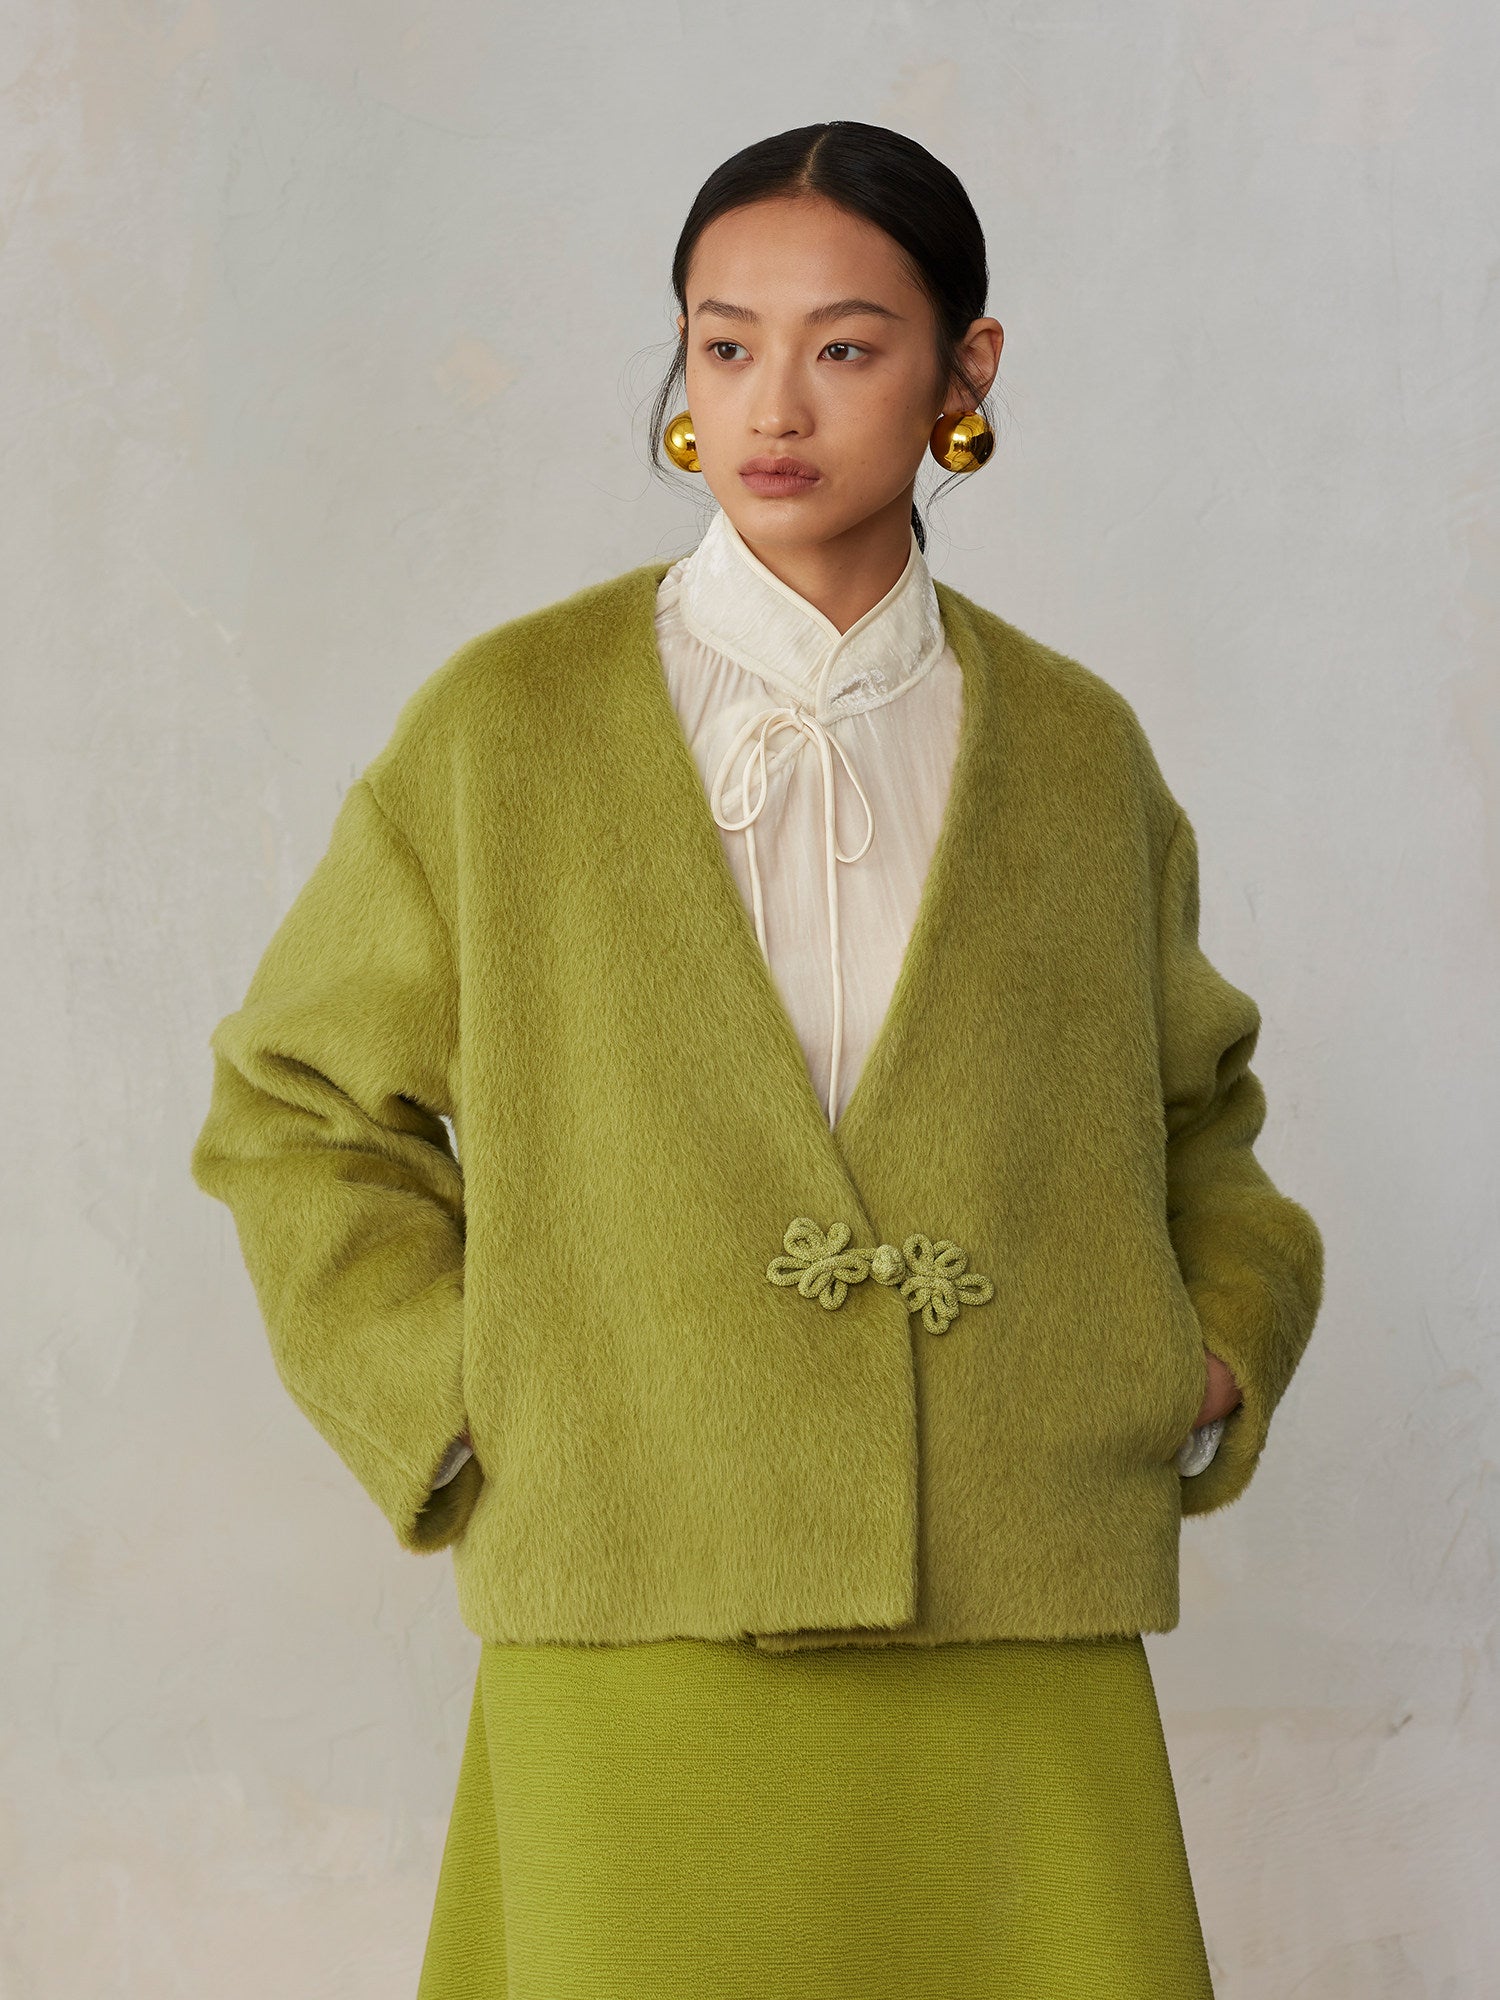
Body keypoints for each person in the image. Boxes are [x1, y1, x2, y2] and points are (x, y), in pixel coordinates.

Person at [191, 121, 1325, 1997]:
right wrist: (465, 1396)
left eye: (848, 345)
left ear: (967, 372)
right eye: (724, 345)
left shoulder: (1076, 748)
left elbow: (1201, 1118)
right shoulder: (509, 725)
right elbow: (298, 1109)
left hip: (1015, 1602)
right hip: (629, 1596)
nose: (771, 404)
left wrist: (1198, 1353)